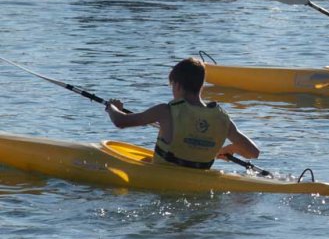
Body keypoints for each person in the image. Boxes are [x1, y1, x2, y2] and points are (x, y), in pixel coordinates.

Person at [105, 57, 260, 169]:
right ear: (201, 87)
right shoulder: (222, 118)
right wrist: (228, 150)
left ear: (177, 85)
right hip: (198, 182)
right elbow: (253, 152)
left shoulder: (165, 111)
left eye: (172, 86)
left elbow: (121, 121)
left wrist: (111, 107)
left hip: (165, 178)